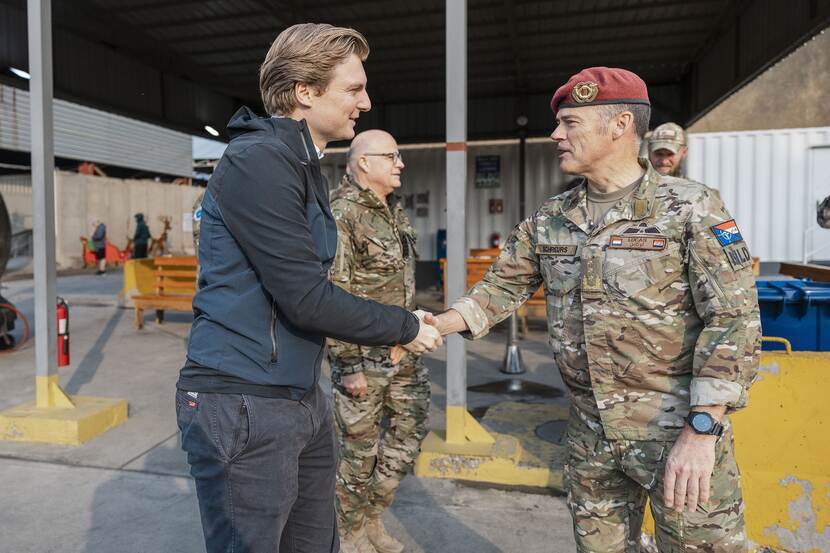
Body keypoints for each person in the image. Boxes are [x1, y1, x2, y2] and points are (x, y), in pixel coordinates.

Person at [429, 67, 761, 552]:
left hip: (677, 432)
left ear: (620, 124)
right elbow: (497, 291)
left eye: (570, 123)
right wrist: (433, 325)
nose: (555, 135)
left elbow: (734, 320)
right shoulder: (552, 219)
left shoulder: (693, 208)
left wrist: (702, 430)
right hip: (590, 435)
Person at [175, 23, 442, 553]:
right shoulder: (261, 161)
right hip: (245, 398)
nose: (365, 102)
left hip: (296, 393)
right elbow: (305, 297)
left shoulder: (301, 162)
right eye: (352, 89)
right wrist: (406, 325)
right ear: (304, 91)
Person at [328, 130, 428, 553]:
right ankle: (348, 534)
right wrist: (347, 366)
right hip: (362, 360)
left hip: (401, 351)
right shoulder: (341, 212)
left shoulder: (392, 209)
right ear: (364, 162)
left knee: (409, 434)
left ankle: (372, 517)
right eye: (392, 156)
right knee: (359, 455)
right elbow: (332, 294)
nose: (400, 163)